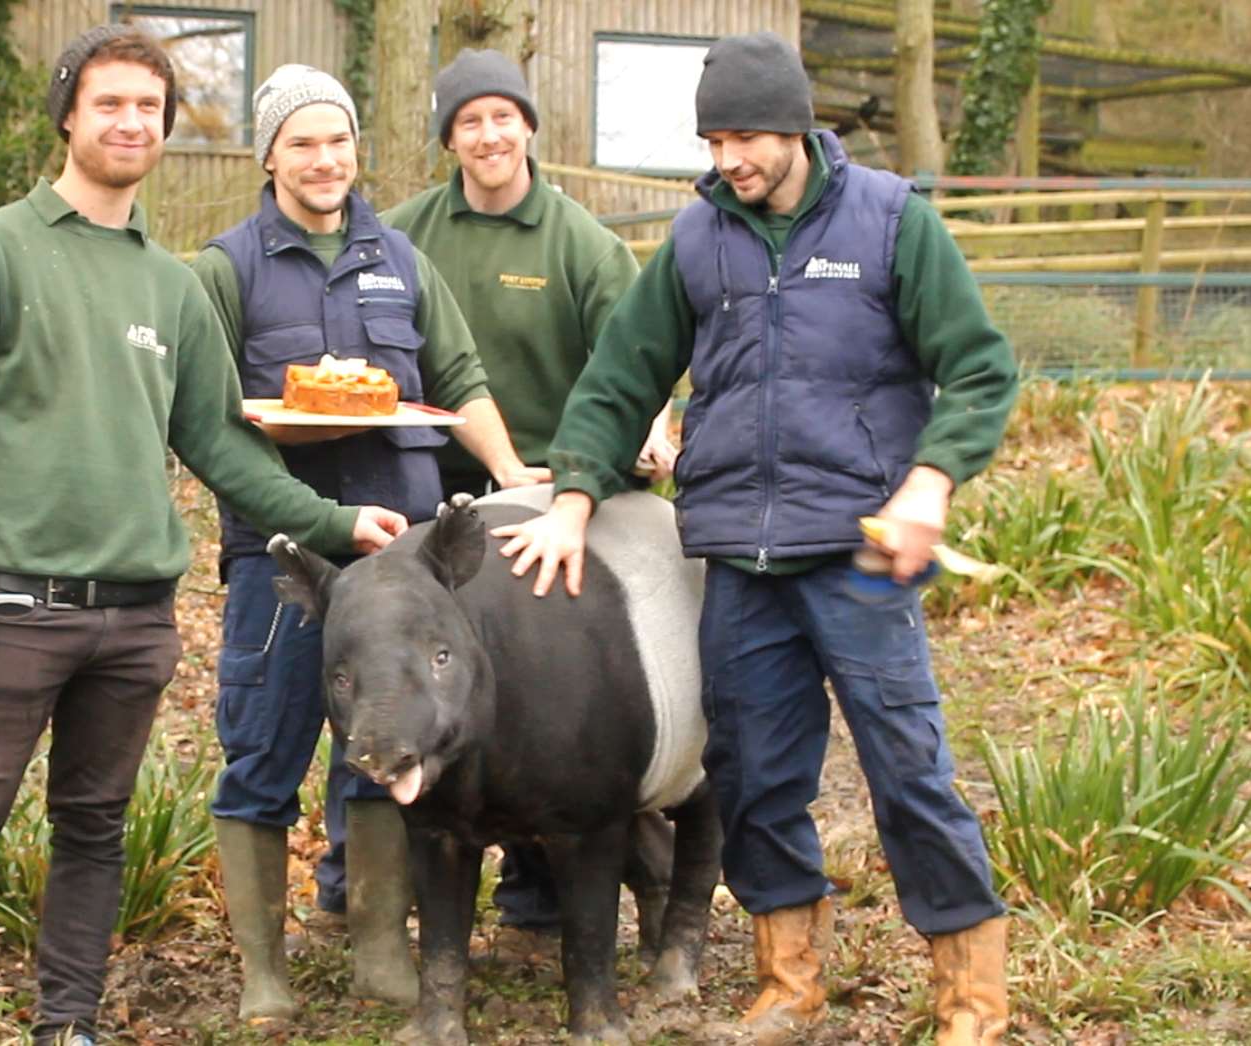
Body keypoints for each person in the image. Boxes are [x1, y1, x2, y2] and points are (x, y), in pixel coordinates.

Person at [0, 28, 405, 1046]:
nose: (129, 122)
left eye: (148, 109)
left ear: (166, 129)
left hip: (132, 618)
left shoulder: (169, 286)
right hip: (13, 605)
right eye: (109, 103)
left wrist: (332, 521)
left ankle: (66, 1023)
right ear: (68, 116)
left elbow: (219, 440)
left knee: (92, 829)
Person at [494, 31, 1016, 1046]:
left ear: (793, 126)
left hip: (858, 552)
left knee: (905, 764)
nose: (727, 157)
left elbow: (979, 369)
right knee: (754, 772)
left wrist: (928, 480)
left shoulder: (889, 222)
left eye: (743, 136)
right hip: (738, 554)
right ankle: (785, 982)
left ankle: (969, 997)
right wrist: (570, 494)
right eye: (712, 137)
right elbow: (616, 378)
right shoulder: (698, 239)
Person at [190, 64, 545, 1023]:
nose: (324, 159)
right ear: (267, 156)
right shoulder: (226, 270)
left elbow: (459, 377)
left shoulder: (398, 257)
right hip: (285, 564)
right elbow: (214, 428)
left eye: (337, 139)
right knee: (262, 752)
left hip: (400, 561)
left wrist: (509, 475)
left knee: (392, 749)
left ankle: (382, 951)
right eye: (302, 142)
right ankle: (264, 970)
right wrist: (314, 517)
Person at [381, 48, 676, 954]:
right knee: (409, 680)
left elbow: (641, 355)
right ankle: (368, 891)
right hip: (440, 492)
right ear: (448, 139)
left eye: (502, 117)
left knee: (549, 699)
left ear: (528, 129)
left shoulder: (579, 241)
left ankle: (540, 900)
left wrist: (658, 429)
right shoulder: (407, 234)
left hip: (559, 491)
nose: (488, 135)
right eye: (468, 121)